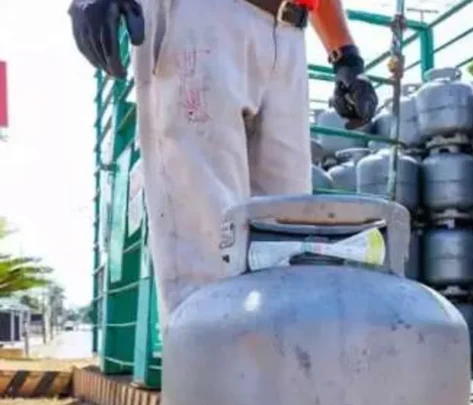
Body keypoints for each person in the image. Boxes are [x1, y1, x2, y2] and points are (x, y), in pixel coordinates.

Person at [68, 0, 378, 320]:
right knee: (205, 253)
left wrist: (345, 56)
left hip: (288, 33)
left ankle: (268, 369)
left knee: (287, 254)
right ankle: (205, 367)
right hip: (203, 17)